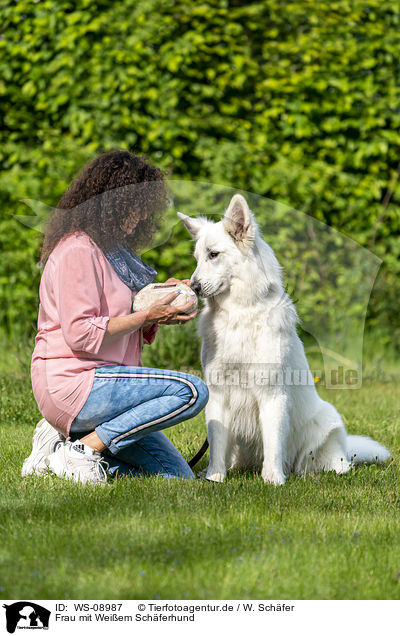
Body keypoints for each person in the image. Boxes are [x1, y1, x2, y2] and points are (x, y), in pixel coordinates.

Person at [21, 150, 208, 484]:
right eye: (131, 207)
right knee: (191, 391)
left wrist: (156, 312)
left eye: (142, 209)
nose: (137, 218)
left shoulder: (115, 256)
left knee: (176, 477)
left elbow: (122, 315)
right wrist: (147, 313)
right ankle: (83, 450)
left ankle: (60, 453)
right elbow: (81, 334)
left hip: (106, 384)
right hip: (74, 382)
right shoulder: (77, 249)